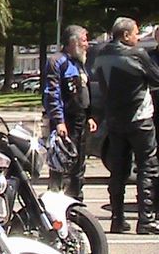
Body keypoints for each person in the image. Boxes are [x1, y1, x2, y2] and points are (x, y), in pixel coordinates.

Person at [94, 17, 159, 234]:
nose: (138, 37)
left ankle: (117, 219)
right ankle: (146, 219)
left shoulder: (101, 54)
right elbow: (156, 77)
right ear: (125, 35)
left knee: (118, 170)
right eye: (136, 33)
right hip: (139, 118)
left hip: (114, 120)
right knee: (147, 167)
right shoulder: (136, 54)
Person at [42, 24, 97, 201]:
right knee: (62, 165)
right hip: (66, 122)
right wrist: (59, 121)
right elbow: (52, 93)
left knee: (78, 166)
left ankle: (76, 200)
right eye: (84, 40)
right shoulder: (57, 61)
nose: (87, 44)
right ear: (73, 42)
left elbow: (84, 90)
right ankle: (56, 201)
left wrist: (89, 116)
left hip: (80, 121)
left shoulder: (79, 63)